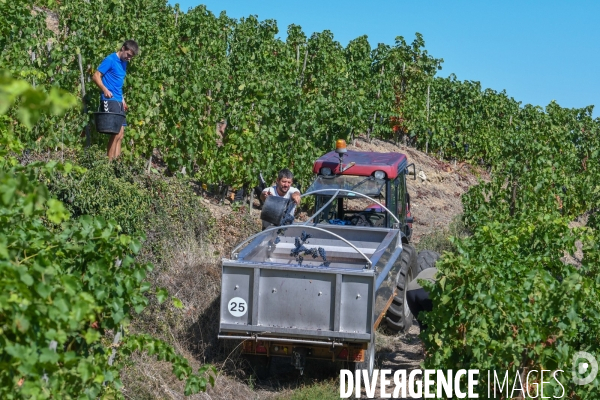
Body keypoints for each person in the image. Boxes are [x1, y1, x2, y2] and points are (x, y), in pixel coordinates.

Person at [92, 40, 139, 160]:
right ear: (123, 48)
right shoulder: (110, 59)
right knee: (115, 133)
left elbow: (118, 84)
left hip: (118, 101)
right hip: (109, 99)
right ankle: (109, 164)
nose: (129, 58)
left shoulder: (124, 62)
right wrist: (104, 89)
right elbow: (96, 76)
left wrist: (122, 99)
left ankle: (117, 165)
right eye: (128, 55)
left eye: (131, 57)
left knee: (121, 134)